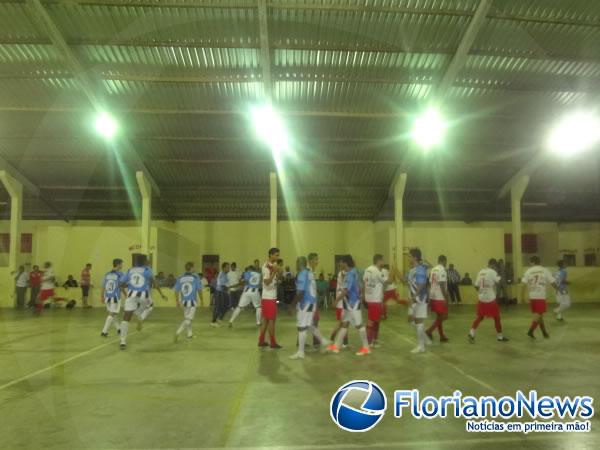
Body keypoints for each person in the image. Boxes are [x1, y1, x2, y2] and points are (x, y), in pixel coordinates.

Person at [119, 255, 166, 350]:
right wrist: (161, 294)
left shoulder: (129, 271)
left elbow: (120, 284)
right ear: (145, 262)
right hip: (144, 295)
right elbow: (155, 283)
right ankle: (140, 317)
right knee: (150, 306)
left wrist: (128, 283)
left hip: (131, 295)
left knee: (126, 318)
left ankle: (122, 341)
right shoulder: (147, 270)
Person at [327, 255, 370, 356]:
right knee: (345, 324)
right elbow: (361, 285)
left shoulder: (350, 274)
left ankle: (366, 347)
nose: (339, 264)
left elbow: (345, 290)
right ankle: (337, 346)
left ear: (345, 263)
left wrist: (336, 300)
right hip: (349, 304)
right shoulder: (355, 272)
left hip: (353, 304)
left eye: (340, 262)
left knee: (359, 325)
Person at [289, 254, 328, 360]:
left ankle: (300, 352)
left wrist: (292, 305)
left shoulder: (302, 274)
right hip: (311, 302)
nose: (296, 264)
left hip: (306, 303)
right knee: (310, 325)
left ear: (300, 263)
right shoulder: (309, 273)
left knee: (301, 327)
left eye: (297, 262)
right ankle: (324, 341)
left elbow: (300, 292)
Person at [468, 259, 509, 343]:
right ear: (493, 265)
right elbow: (500, 281)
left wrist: (481, 291)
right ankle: (500, 336)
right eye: (495, 266)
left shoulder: (480, 272)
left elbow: (476, 286)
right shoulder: (492, 272)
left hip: (481, 298)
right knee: (497, 317)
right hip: (490, 299)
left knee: (480, 317)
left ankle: (472, 332)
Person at [522, 256, 557, 339]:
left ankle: (544, 332)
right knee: (539, 314)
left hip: (532, 296)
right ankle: (531, 330)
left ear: (532, 262)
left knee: (539, 315)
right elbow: (552, 282)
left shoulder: (528, 271)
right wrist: (558, 289)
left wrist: (523, 296)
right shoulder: (545, 270)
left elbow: (523, 284)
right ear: (539, 262)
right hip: (540, 296)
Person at [258, 248, 282, 349]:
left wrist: (278, 274)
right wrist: (274, 272)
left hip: (271, 296)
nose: (277, 257)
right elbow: (266, 282)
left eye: (278, 255)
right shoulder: (265, 267)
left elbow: (273, 281)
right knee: (272, 320)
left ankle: (261, 340)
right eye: (276, 255)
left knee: (266, 321)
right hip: (268, 297)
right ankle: (272, 342)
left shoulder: (273, 266)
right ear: (271, 255)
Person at [174, 262, 204, 341]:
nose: (194, 268)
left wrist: (177, 301)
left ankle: (189, 334)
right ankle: (178, 332)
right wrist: (202, 300)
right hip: (192, 301)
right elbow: (199, 289)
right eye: (193, 267)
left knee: (187, 317)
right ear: (191, 268)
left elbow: (176, 290)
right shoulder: (195, 277)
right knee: (189, 319)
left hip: (183, 301)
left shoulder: (180, 277)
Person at [407, 249, 429, 354]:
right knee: (413, 320)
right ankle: (425, 340)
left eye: (410, 256)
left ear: (415, 258)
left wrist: (413, 297)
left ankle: (421, 346)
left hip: (419, 298)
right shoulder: (412, 270)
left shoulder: (420, 269)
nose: (408, 258)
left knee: (418, 321)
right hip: (415, 299)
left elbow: (422, 284)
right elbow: (404, 280)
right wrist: (395, 270)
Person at [363, 254, 388, 348]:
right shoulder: (377, 271)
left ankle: (374, 340)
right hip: (375, 299)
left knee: (377, 319)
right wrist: (394, 271)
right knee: (371, 321)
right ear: (379, 261)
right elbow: (388, 281)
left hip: (370, 298)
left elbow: (364, 282)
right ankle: (368, 343)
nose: (384, 262)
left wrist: (363, 296)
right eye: (383, 260)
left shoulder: (367, 269)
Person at [426, 255, 450, 343]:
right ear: (444, 261)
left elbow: (429, 284)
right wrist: (446, 298)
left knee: (439, 317)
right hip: (440, 297)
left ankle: (442, 336)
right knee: (444, 316)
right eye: (446, 262)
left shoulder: (433, 270)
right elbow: (442, 284)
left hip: (433, 296)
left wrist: (429, 298)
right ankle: (429, 331)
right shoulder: (442, 270)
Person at [100, 259, 124, 337]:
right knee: (112, 314)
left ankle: (119, 328)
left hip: (107, 296)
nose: (122, 265)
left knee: (113, 314)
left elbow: (103, 286)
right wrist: (126, 294)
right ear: (118, 264)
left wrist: (101, 296)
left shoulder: (107, 274)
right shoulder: (120, 274)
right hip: (115, 297)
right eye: (121, 264)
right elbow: (122, 286)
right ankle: (104, 331)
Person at [329, 265, 348, 348]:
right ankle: (333, 337)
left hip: (342, 302)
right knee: (342, 323)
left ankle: (345, 342)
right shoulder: (342, 274)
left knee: (344, 322)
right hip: (341, 303)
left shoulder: (342, 273)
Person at [211, 262, 231, 327]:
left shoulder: (225, 274)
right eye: (227, 267)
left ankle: (219, 319)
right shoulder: (221, 274)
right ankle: (213, 322)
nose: (229, 269)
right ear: (223, 268)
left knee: (227, 306)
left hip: (223, 292)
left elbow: (226, 284)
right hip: (220, 292)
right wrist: (227, 288)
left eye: (229, 267)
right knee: (218, 307)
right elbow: (221, 285)